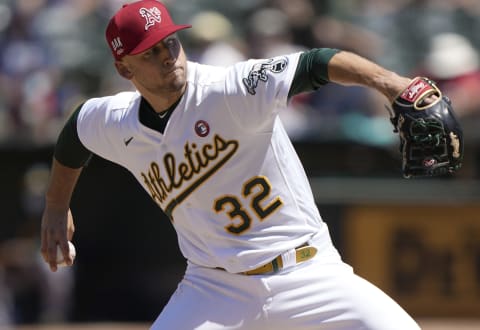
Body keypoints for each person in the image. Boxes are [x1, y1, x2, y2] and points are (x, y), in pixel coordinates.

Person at [40, 1, 421, 329]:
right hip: (214, 288)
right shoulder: (115, 121)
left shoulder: (229, 88)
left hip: (307, 271)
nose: (167, 57)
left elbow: (316, 62)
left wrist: (394, 84)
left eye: (170, 43)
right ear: (125, 70)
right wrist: (56, 207)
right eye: (150, 53)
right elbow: (74, 133)